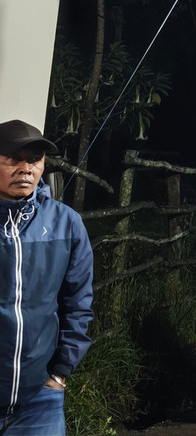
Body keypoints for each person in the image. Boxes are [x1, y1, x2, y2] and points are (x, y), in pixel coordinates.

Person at [0, 120, 93, 436]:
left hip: (40, 398)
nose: (25, 168)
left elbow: (78, 303)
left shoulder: (66, 224)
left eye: (35, 159)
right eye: (14, 157)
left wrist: (60, 374)